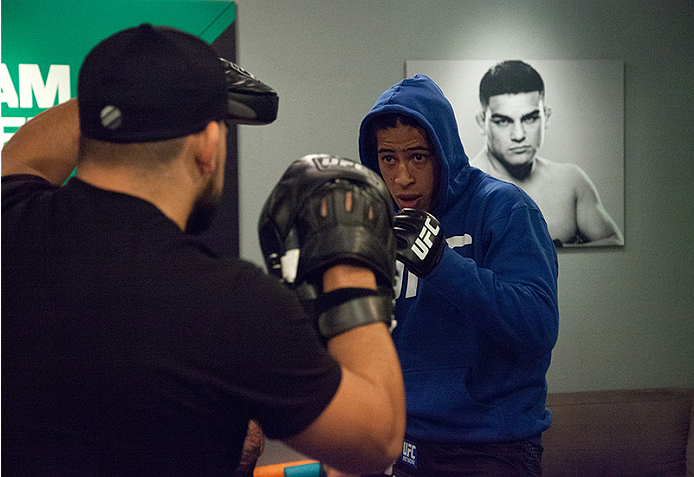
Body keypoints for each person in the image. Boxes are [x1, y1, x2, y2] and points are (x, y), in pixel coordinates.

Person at [1, 24, 405, 476]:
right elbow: (376, 440)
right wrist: (347, 261)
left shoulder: (11, 222)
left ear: (89, 132)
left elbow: (21, 158)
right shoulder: (232, 304)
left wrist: (139, 88)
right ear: (209, 145)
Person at [356, 74, 559, 476]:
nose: (402, 178)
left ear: (443, 151)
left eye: (418, 156)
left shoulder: (504, 207)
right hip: (407, 443)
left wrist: (441, 264)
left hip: (492, 447)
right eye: (388, 158)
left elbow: (538, 325)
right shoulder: (380, 224)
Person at [469, 60, 624, 247]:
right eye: (503, 121)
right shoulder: (464, 186)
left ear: (546, 117)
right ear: (481, 122)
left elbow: (613, 241)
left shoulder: (570, 180)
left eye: (530, 118)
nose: (518, 135)